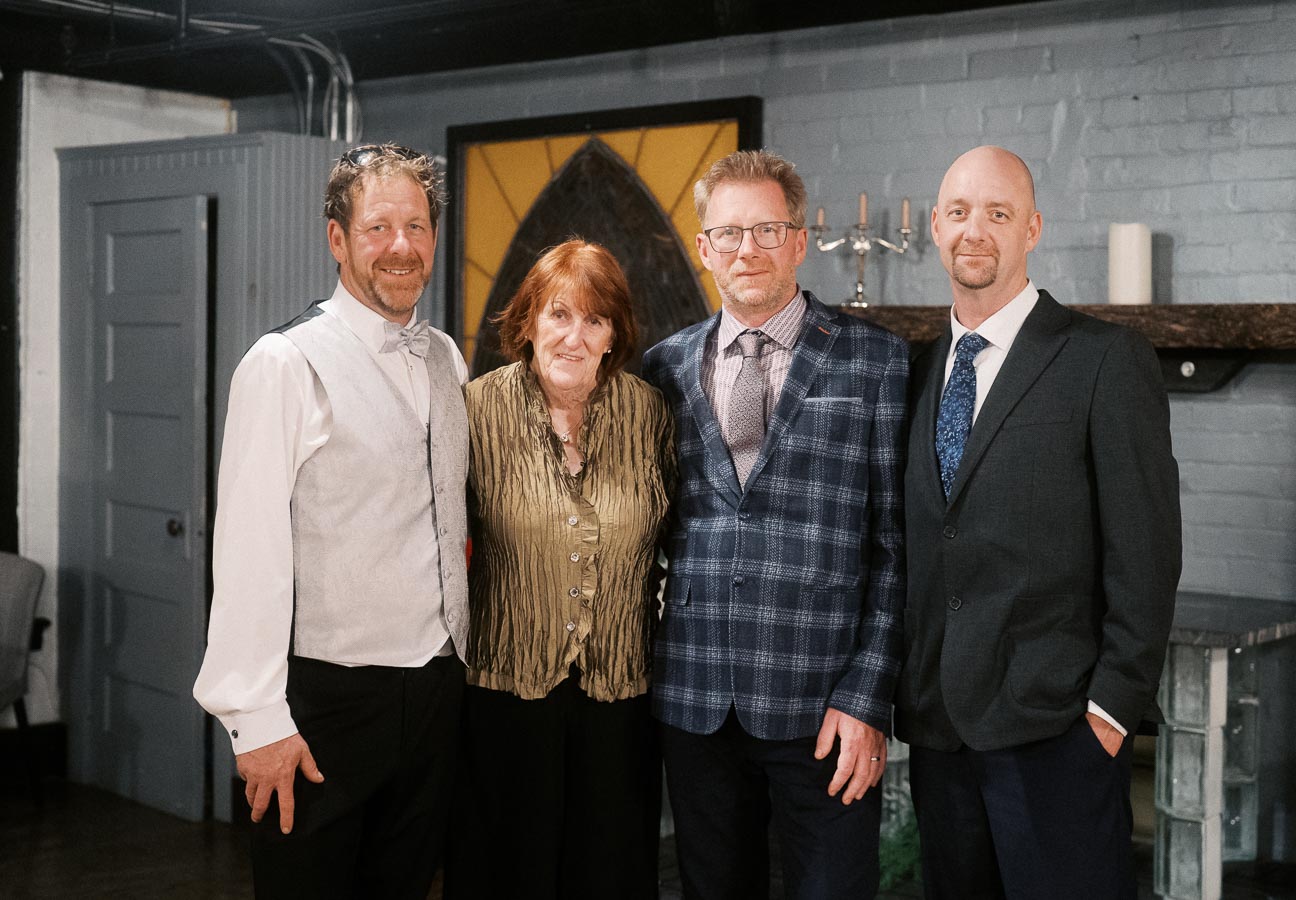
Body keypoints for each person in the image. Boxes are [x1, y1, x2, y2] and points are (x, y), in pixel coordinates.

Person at [896, 145, 1182, 899]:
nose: (975, 230)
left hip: (1059, 737)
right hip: (940, 737)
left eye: (998, 213)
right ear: (934, 226)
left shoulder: (1102, 360)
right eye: (958, 212)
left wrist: (1111, 712)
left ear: (1033, 228)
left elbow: (1147, 553)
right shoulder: (917, 371)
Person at [192, 143, 469, 900]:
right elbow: (247, 553)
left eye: (416, 225)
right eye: (378, 227)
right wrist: (257, 720)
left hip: (437, 696)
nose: (402, 246)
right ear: (337, 239)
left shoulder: (446, 358)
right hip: (322, 710)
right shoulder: (283, 364)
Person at [642, 149, 909, 899]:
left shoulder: (874, 362)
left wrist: (867, 698)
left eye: (767, 229)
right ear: (704, 249)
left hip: (823, 705)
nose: (747, 249)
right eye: (727, 234)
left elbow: (895, 549)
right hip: (695, 699)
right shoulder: (660, 369)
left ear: (799, 241)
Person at [450, 239, 675, 899]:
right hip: (505, 704)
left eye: (594, 320)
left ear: (615, 335)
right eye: (557, 315)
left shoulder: (650, 414)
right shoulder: (475, 411)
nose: (574, 336)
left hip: (620, 709)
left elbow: (685, 537)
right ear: (527, 323)